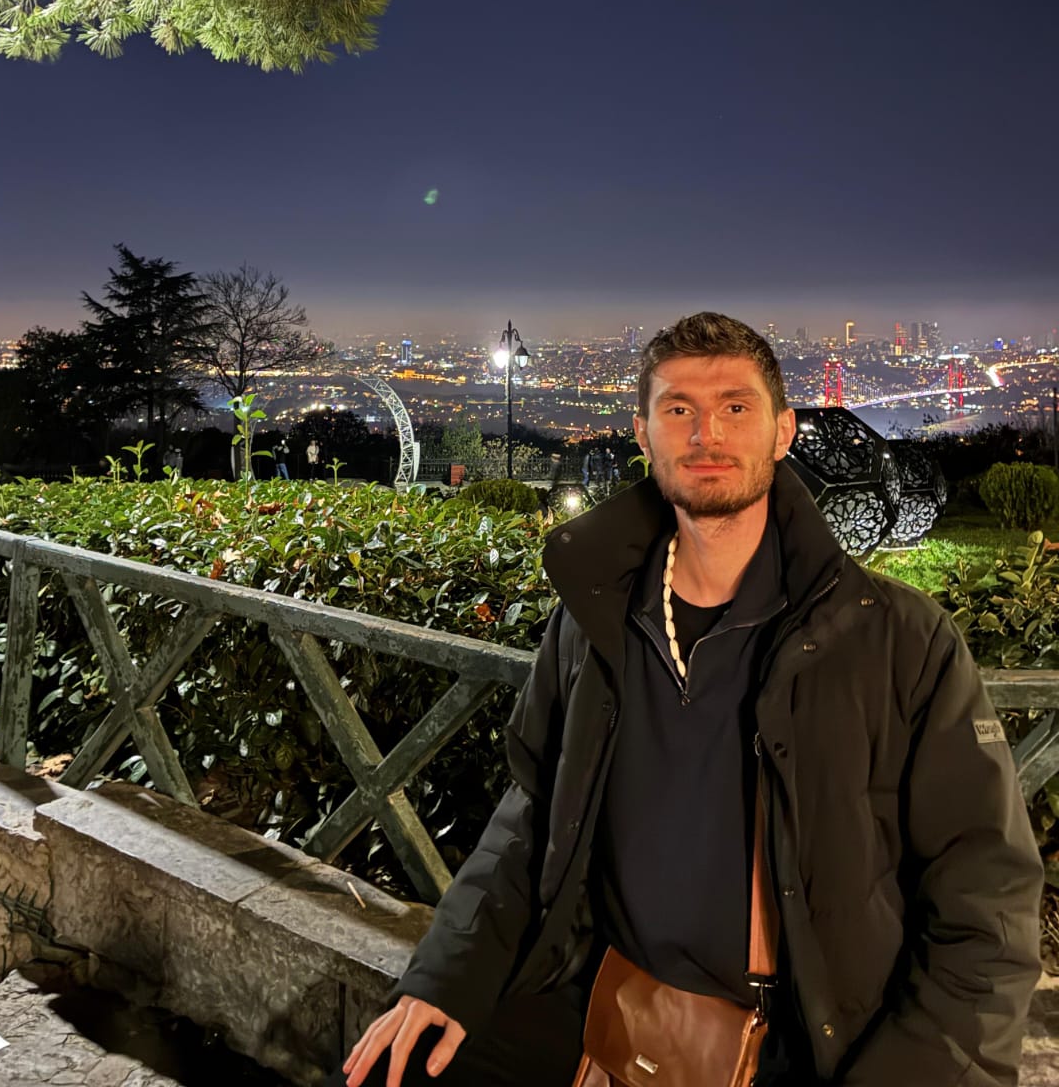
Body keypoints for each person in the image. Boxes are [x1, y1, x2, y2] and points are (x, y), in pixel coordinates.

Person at [333, 312, 1042, 1087]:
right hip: (599, 999)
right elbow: (532, 814)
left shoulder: (898, 638)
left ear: (782, 432)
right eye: (679, 409)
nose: (708, 433)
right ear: (644, 434)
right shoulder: (594, 620)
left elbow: (985, 898)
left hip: (806, 1044)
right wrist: (446, 977)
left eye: (736, 406)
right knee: (386, 1074)